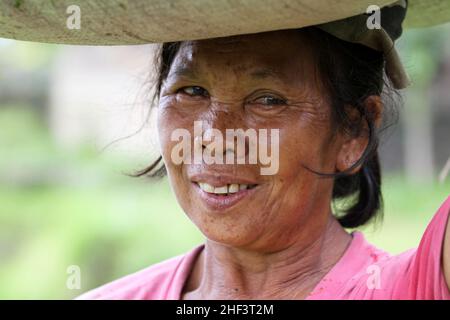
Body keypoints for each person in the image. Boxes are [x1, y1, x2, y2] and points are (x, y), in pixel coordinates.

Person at [1, 0, 449, 299]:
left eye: (267, 100)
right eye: (191, 90)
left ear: (352, 131)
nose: (214, 135)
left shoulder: (414, 287)